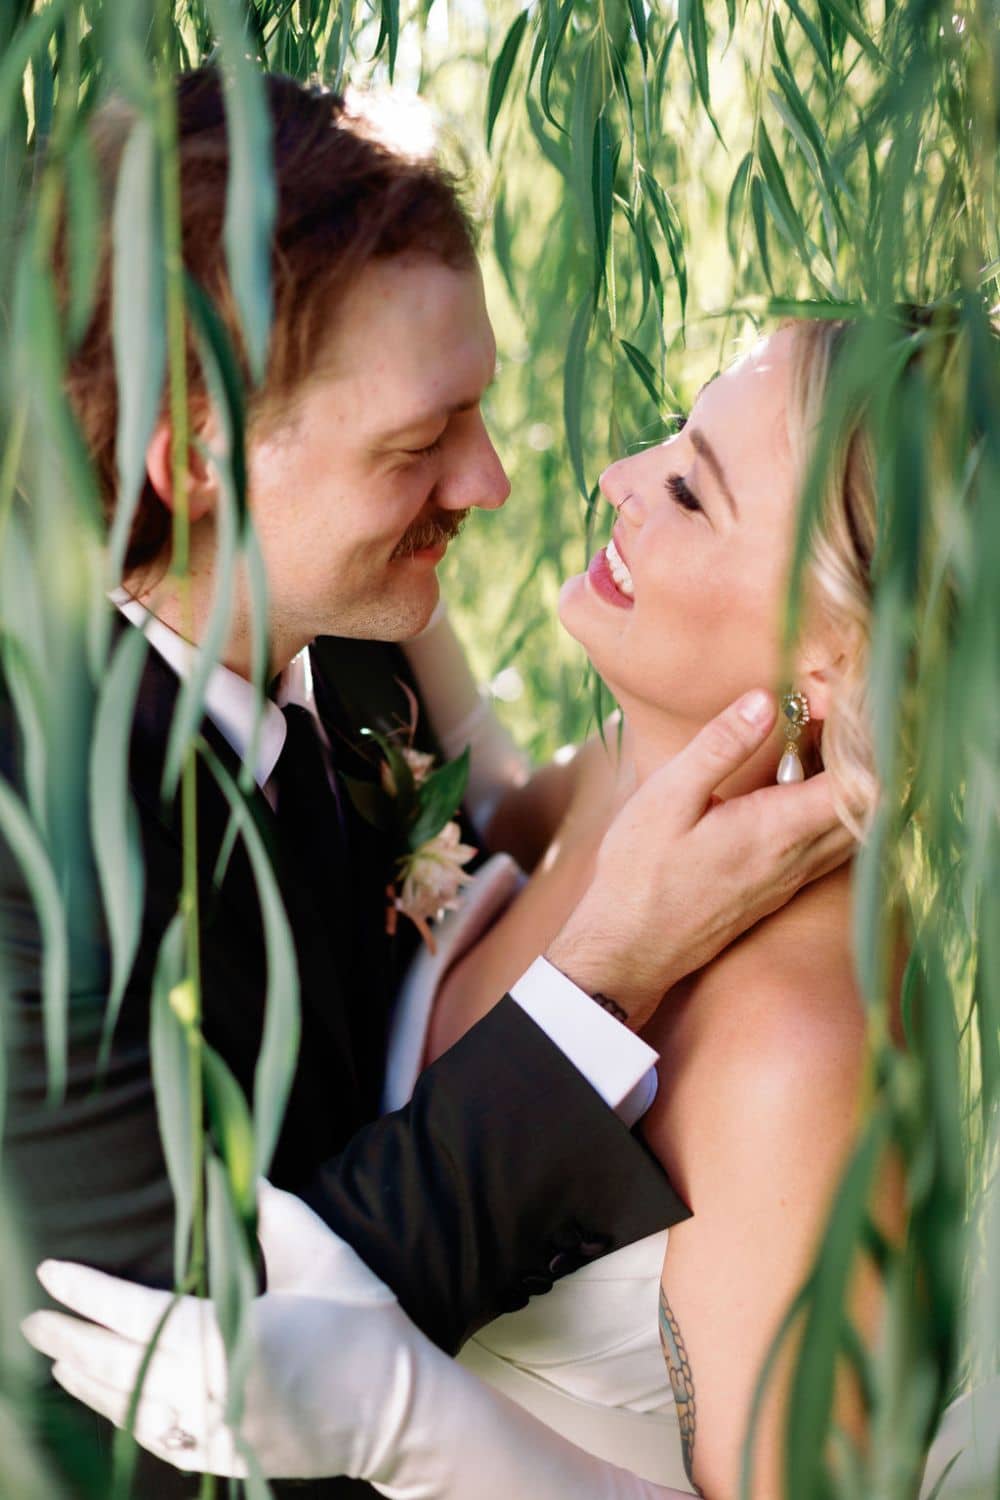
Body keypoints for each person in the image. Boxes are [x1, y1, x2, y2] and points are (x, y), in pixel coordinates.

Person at [5, 67, 848, 1500]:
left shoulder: (349, 632)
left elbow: (470, 837)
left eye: (476, 409)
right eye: (418, 446)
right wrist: (602, 977)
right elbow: (200, 1405)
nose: (493, 483)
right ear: (197, 463)